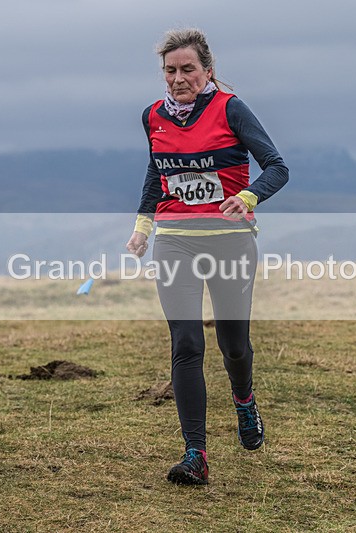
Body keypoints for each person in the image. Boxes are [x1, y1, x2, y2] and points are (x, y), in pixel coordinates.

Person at [125, 28, 288, 484]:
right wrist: (143, 227)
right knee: (186, 343)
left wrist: (250, 198)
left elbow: (277, 167)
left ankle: (244, 400)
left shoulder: (231, 108)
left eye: (188, 69)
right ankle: (195, 452)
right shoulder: (152, 116)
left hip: (230, 242)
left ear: (207, 71)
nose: (178, 78)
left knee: (233, 345)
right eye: (170, 70)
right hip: (175, 240)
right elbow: (156, 173)